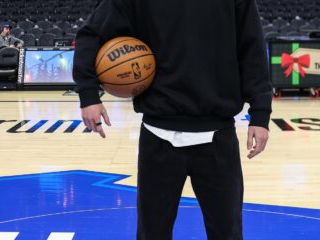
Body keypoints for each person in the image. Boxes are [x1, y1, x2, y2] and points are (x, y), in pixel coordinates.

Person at [73, 0, 272, 239]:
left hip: (217, 136)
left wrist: (260, 114)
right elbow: (91, 33)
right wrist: (88, 95)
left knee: (227, 233)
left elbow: (252, 49)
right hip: (158, 135)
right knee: (152, 234)